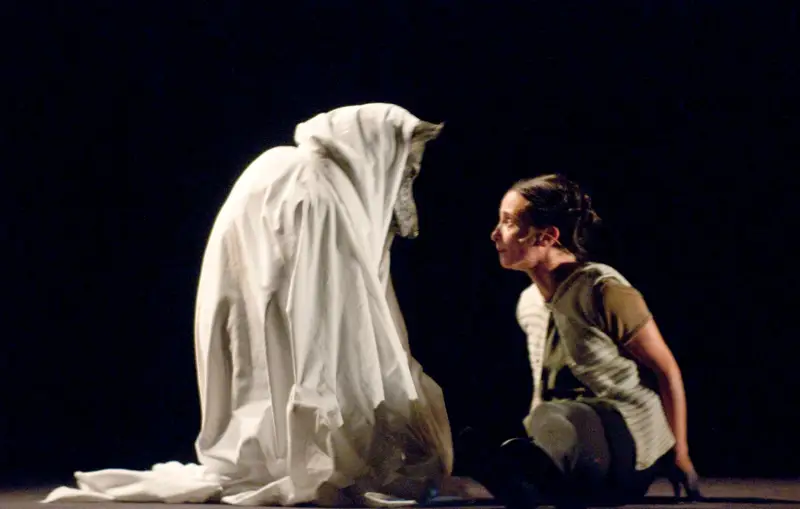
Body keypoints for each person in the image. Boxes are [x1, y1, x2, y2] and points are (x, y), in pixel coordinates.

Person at [44, 104, 453, 506]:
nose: (404, 184)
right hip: (276, 319)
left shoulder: (287, 167)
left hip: (256, 321)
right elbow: (325, 311)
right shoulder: (315, 187)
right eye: (405, 170)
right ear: (376, 153)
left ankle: (277, 451)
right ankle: (292, 455)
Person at [462, 174, 701, 508]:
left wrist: (680, 454)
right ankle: (535, 476)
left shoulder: (602, 289)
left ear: (547, 236)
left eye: (509, 222)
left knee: (569, 417)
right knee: (545, 419)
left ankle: (534, 475)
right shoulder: (529, 304)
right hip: (565, 440)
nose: (495, 234)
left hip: (625, 445)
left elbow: (666, 370)